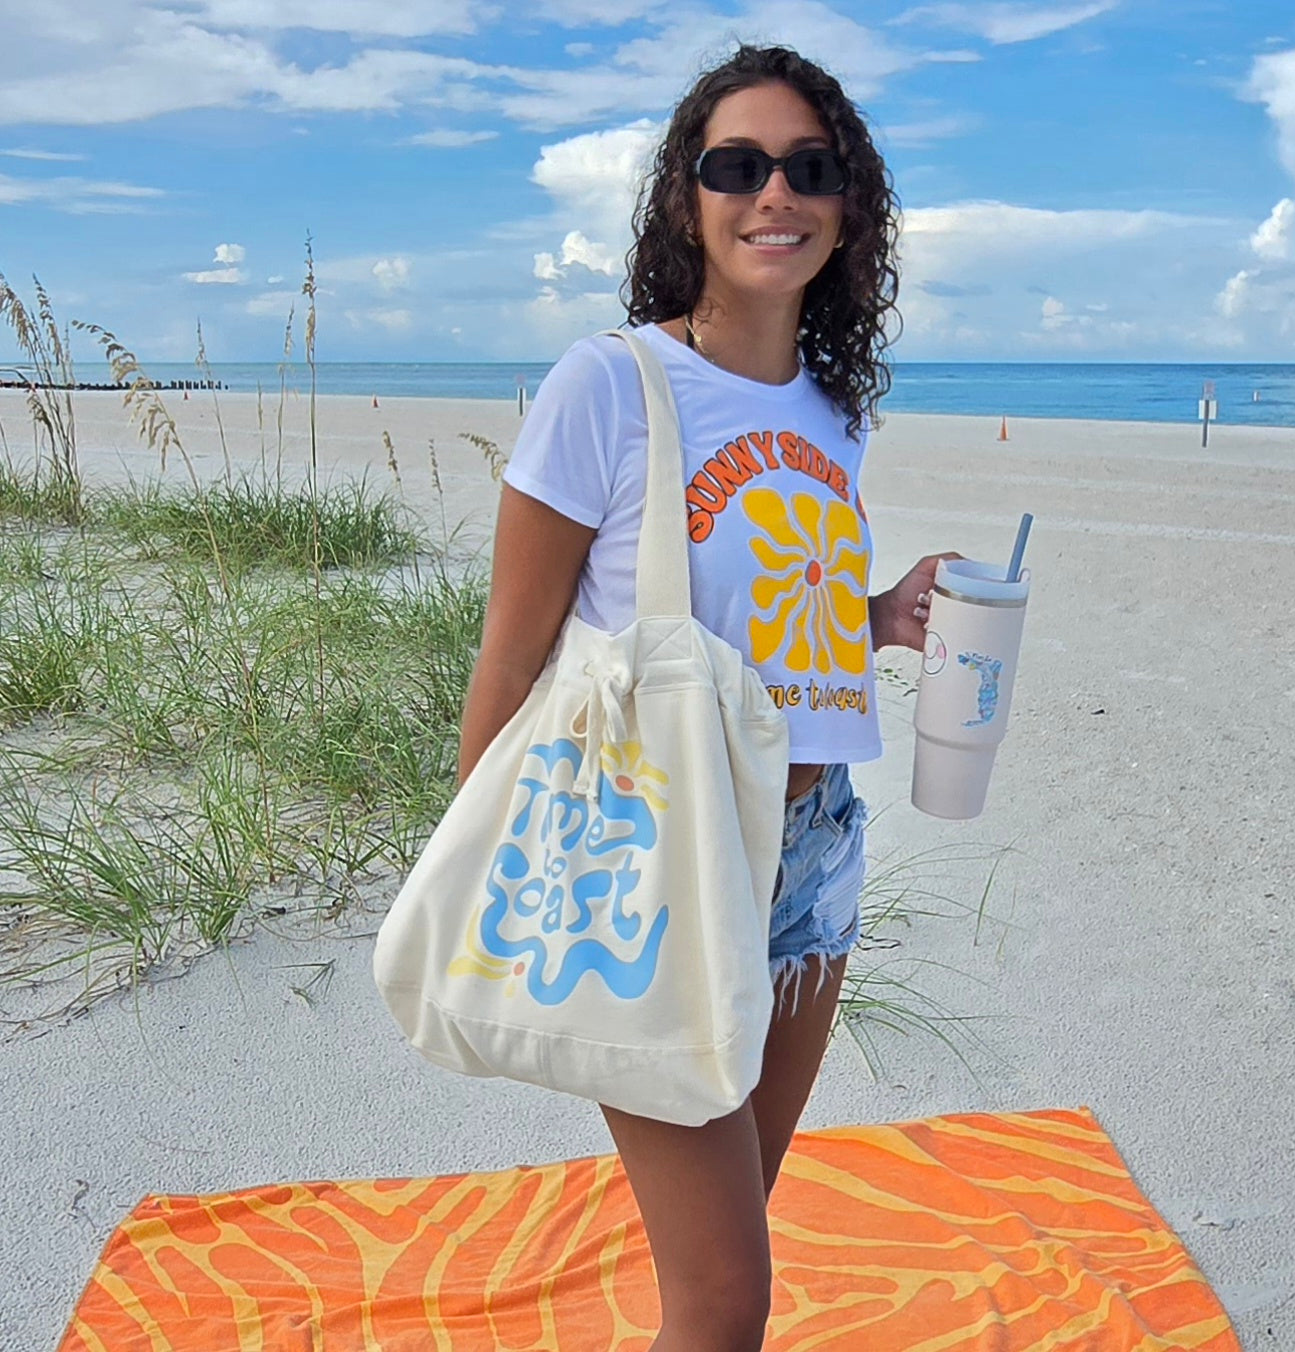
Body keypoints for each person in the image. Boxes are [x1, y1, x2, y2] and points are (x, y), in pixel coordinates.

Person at [456, 43, 958, 1352]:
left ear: (849, 207)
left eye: (810, 167)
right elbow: (512, 652)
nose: (773, 193)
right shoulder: (608, 385)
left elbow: (752, 616)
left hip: (817, 852)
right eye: (737, 166)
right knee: (728, 1302)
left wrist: (877, 613)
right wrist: (484, 863)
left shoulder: (832, 410)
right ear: (688, 200)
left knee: (734, 1243)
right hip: (659, 864)